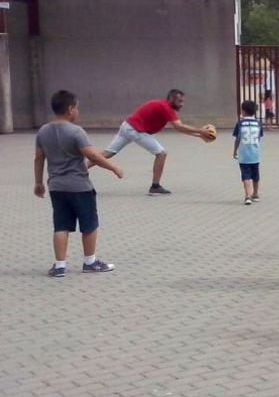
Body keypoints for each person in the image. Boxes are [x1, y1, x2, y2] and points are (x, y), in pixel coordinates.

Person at [34, 90, 124, 277]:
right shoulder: (76, 131)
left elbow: (38, 159)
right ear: (70, 109)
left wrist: (38, 183)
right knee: (89, 224)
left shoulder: (43, 131)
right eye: (77, 108)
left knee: (61, 225)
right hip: (79, 187)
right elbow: (92, 155)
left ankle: (59, 266)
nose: (78, 112)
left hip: (56, 187)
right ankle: (90, 262)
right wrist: (114, 168)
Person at [100, 89, 214, 195]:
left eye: (183, 101)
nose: (182, 104)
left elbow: (179, 128)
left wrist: (199, 135)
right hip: (135, 130)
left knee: (108, 153)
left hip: (127, 127)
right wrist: (201, 131)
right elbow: (179, 126)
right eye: (179, 101)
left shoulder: (164, 107)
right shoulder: (165, 108)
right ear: (171, 99)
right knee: (161, 153)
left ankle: (82, 167)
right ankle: (155, 186)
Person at [232, 100, 264, 205]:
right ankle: (255, 194)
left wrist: (235, 150)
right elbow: (259, 137)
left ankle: (247, 196)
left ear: (243, 111)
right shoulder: (258, 124)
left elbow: (237, 139)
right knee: (256, 175)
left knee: (245, 175)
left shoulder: (240, 124)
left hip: (244, 155)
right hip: (255, 154)